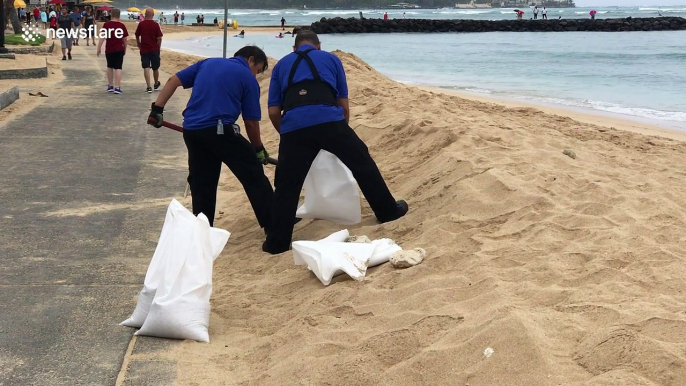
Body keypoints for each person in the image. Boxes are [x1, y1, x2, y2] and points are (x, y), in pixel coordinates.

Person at [263, 30, 408, 254]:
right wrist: (342, 131)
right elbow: (343, 104)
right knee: (362, 162)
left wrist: (287, 134)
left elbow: (273, 111)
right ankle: (388, 211)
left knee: (286, 184)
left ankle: (277, 243)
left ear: (294, 48)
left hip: (293, 125)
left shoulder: (281, 65)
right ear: (318, 46)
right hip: (329, 120)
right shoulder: (332, 59)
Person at [147, 46, 275, 230]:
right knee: (253, 174)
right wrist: (257, 149)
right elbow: (251, 122)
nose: (255, 75)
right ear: (251, 59)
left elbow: (173, 80)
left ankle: (202, 232)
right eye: (257, 70)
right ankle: (274, 224)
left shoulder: (207, 63)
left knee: (203, 185)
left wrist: (157, 110)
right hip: (220, 131)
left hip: (191, 131)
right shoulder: (247, 77)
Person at [97, 8, 128, 94]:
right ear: (119, 15)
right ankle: (117, 87)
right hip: (119, 49)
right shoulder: (122, 26)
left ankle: (110, 86)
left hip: (109, 49)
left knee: (109, 66)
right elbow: (125, 39)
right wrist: (125, 49)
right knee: (118, 68)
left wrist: (99, 48)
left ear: (111, 15)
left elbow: (102, 37)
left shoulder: (106, 25)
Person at [135, 7, 163, 93]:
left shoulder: (141, 24)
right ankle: (155, 83)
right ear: (153, 15)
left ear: (145, 14)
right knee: (155, 67)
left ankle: (148, 87)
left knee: (146, 67)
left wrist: (138, 43)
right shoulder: (155, 24)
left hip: (144, 49)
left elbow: (137, 34)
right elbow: (159, 38)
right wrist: (159, 46)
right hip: (154, 49)